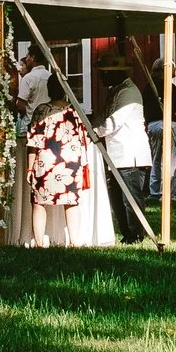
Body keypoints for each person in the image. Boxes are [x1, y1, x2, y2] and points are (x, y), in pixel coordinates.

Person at [24, 95, 93, 247]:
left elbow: (34, 141)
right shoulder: (75, 110)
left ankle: (39, 242)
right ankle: (74, 242)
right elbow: (84, 138)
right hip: (71, 160)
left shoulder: (41, 110)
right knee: (71, 202)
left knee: (39, 202)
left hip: (46, 160)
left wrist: (29, 167)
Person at [95, 59, 152, 241]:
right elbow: (104, 115)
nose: (101, 77)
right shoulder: (117, 91)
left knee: (131, 198)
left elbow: (114, 121)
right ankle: (127, 233)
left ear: (114, 72)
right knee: (117, 199)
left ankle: (136, 234)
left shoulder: (128, 92)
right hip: (118, 154)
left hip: (130, 154)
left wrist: (92, 132)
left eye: (104, 72)